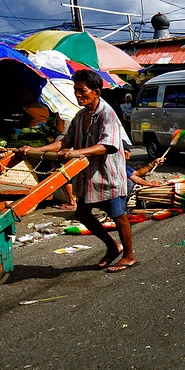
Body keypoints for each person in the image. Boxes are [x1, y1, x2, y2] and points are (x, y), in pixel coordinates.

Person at [17, 69, 135, 272]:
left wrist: (76, 152)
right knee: (82, 213)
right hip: (88, 177)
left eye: (82, 91)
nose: (78, 95)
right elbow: (65, 142)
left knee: (118, 215)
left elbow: (107, 145)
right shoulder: (80, 116)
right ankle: (112, 246)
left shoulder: (108, 114)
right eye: (76, 90)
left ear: (96, 92)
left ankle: (129, 255)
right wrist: (35, 150)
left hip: (109, 175)